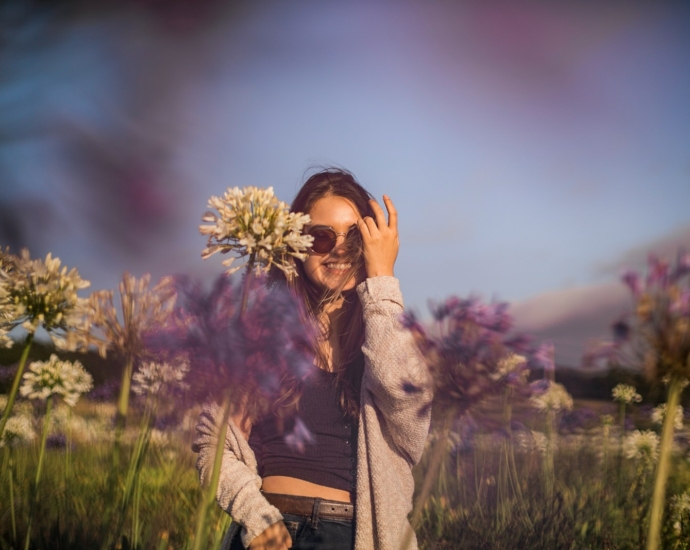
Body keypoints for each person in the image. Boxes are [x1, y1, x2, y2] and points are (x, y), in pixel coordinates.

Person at [193, 168, 433, 550]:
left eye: (355, 237)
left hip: (353, 537)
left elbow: (409, 416)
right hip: (269, 531)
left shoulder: (389, 332)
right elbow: (214, 446)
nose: (338, 249)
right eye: (320, 237)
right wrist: (258, 521)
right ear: (295, 245)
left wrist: (383, 279)